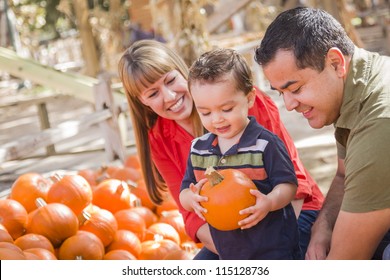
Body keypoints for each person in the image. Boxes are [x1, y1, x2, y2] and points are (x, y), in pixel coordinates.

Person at [118, 39, 323, 259]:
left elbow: (294, 183)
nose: (169, 96)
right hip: (230, 239)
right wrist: (236, 255)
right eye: (152, 94)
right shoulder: (159, 139)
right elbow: (191, 216)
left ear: (181, 71)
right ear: (142, 103)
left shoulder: (242, 103)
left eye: (170, 80)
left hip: (289, 215)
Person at [254, 7, 390, 259]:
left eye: (295, 88)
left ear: (336, 63)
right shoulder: (355, 84)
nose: (290, 104)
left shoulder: (380, 121)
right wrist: (322, 226)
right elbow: (343, 175)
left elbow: (346, 261)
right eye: (280, 92)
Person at [179, 48, 301, 259]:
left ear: (250, 99)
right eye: (205, 112)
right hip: (229, 251)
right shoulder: (198, 150)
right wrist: (192, 198)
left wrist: (270, 202)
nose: (216, 119)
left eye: (226, 109)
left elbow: (288, 185)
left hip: (273, 248)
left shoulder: (265, 144)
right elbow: (184, 191)